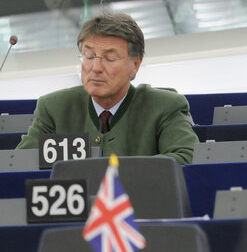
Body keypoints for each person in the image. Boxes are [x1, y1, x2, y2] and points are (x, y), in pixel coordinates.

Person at [17, 11, 198, 165]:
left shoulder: (165, 106)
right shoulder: (54, 108)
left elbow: (187, 157)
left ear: (135, 65)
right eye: (88, 56)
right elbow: (20, 164)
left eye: (110, 58)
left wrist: (113, 173)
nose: (95, 68)